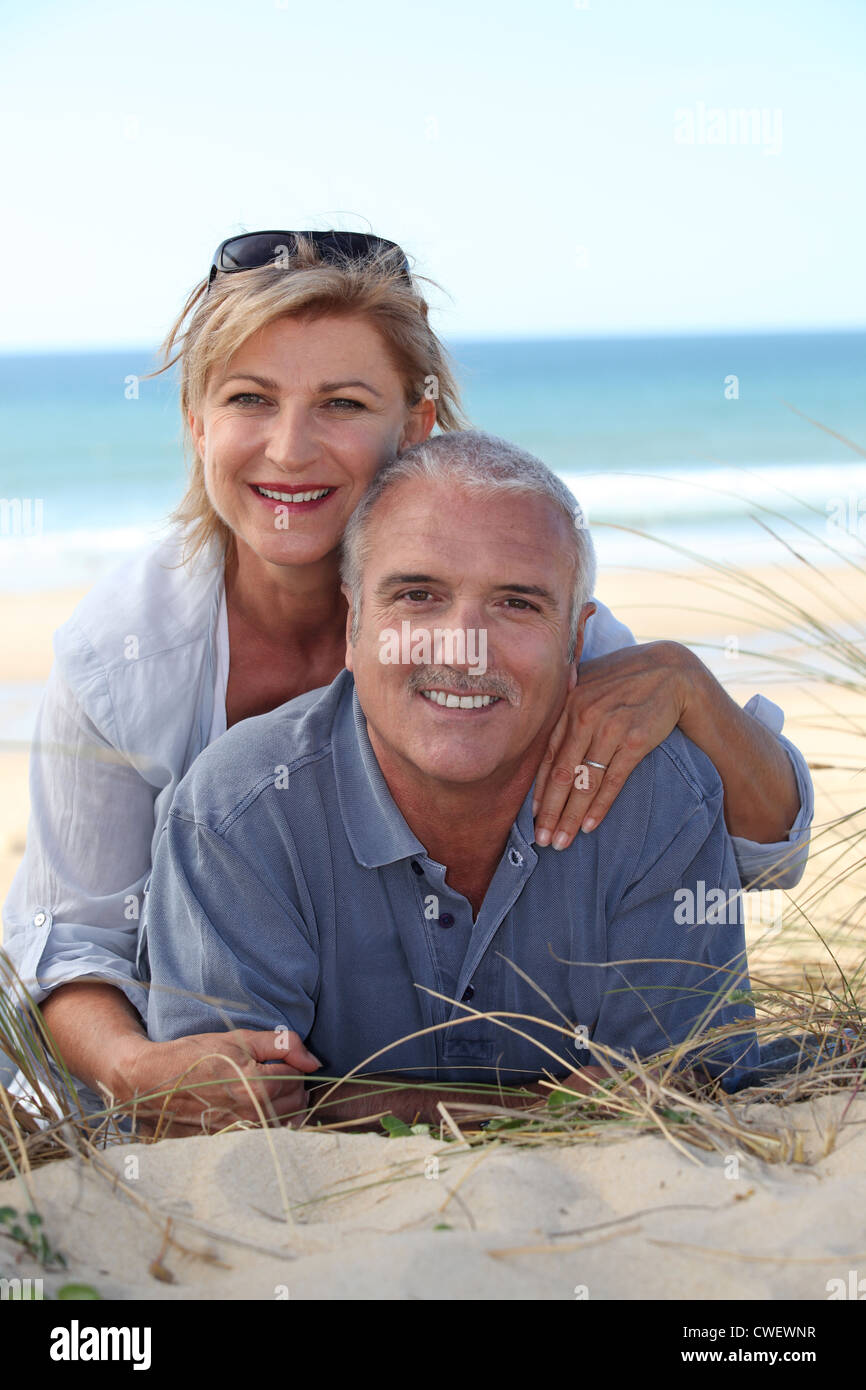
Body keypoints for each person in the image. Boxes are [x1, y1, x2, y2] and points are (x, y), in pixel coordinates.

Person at [1, 231, 812, 1124]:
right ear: (197, 422)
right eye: (248, 400)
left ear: (415, 423)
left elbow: (759, 849)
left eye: (343, 403)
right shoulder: (123, 657)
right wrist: (131, 1068)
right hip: (183, 1075)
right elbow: (67, 943)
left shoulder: (537, 626)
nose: (290, 448)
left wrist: (690, 683)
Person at [143, 431, 762, 1134]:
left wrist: (349, 1103)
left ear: (576, 642)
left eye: (517, 604)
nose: (463, 648)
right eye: (418, 595)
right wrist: (544, 1106)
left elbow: (681, 1093)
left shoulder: (657, 796)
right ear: (354, 625)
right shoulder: (238, 811)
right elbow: (222, 1118)